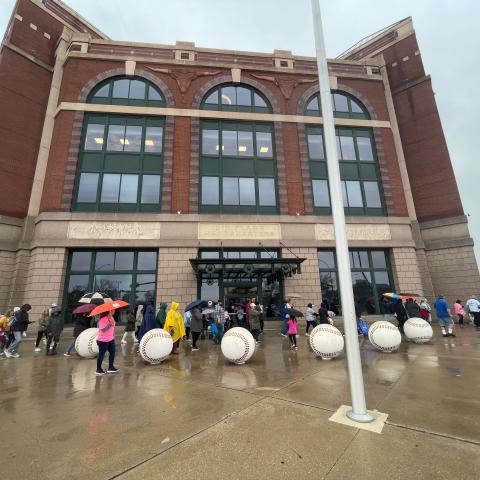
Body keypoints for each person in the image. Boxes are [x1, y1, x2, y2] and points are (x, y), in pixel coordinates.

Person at [96, 308, 119, 376]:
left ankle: (111, 367)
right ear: (109, 311)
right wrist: (109, 324)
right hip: (103, 340)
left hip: (110, 339)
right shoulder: (103, 319)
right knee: (101, 354)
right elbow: (103, 330)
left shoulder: (112, 318)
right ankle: (98, 369)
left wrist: (113, 336)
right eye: (113, 310)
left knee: (112, 353)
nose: (114, 311)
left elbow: (113, 328)